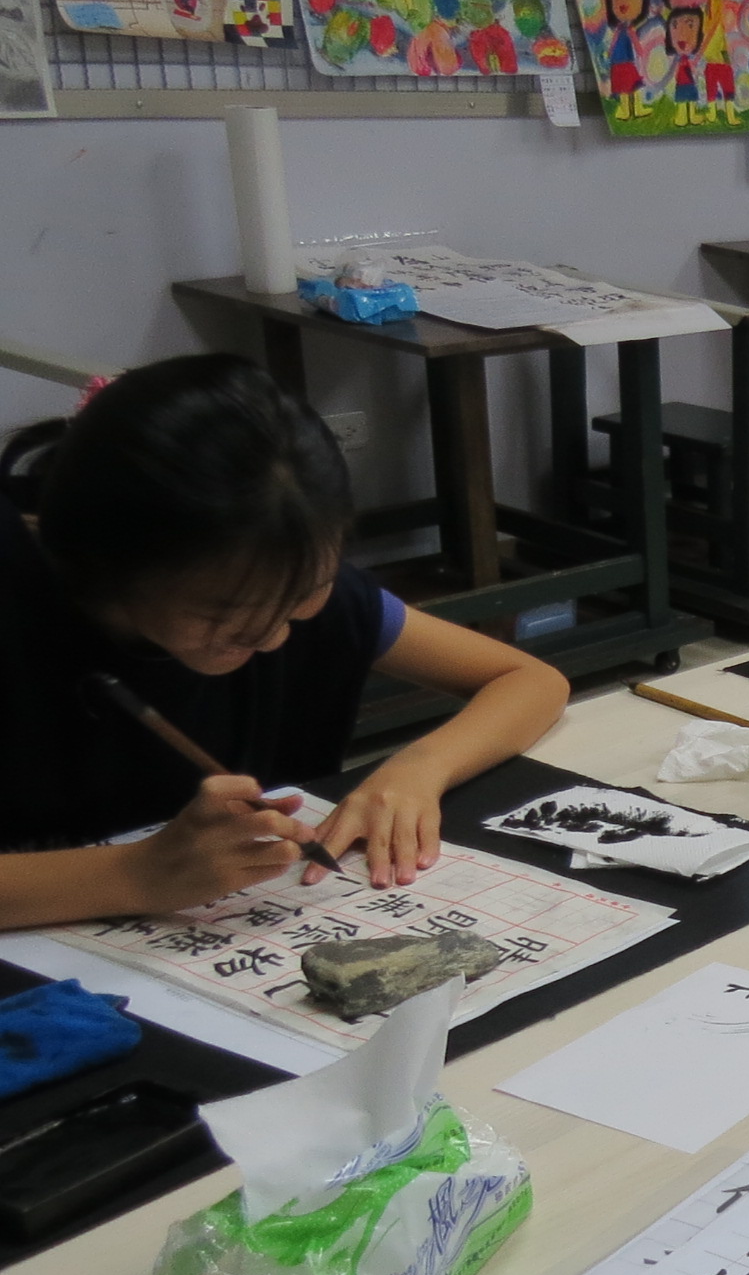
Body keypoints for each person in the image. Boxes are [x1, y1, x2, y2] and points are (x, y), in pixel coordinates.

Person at [0, 356, 570, 930]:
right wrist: (134, 876)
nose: (273, 636)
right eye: (226, 614)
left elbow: (530, 680)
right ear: (113, 561)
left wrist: (418, 770)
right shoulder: (23, 599)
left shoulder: (284, 566)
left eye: (305, 595)